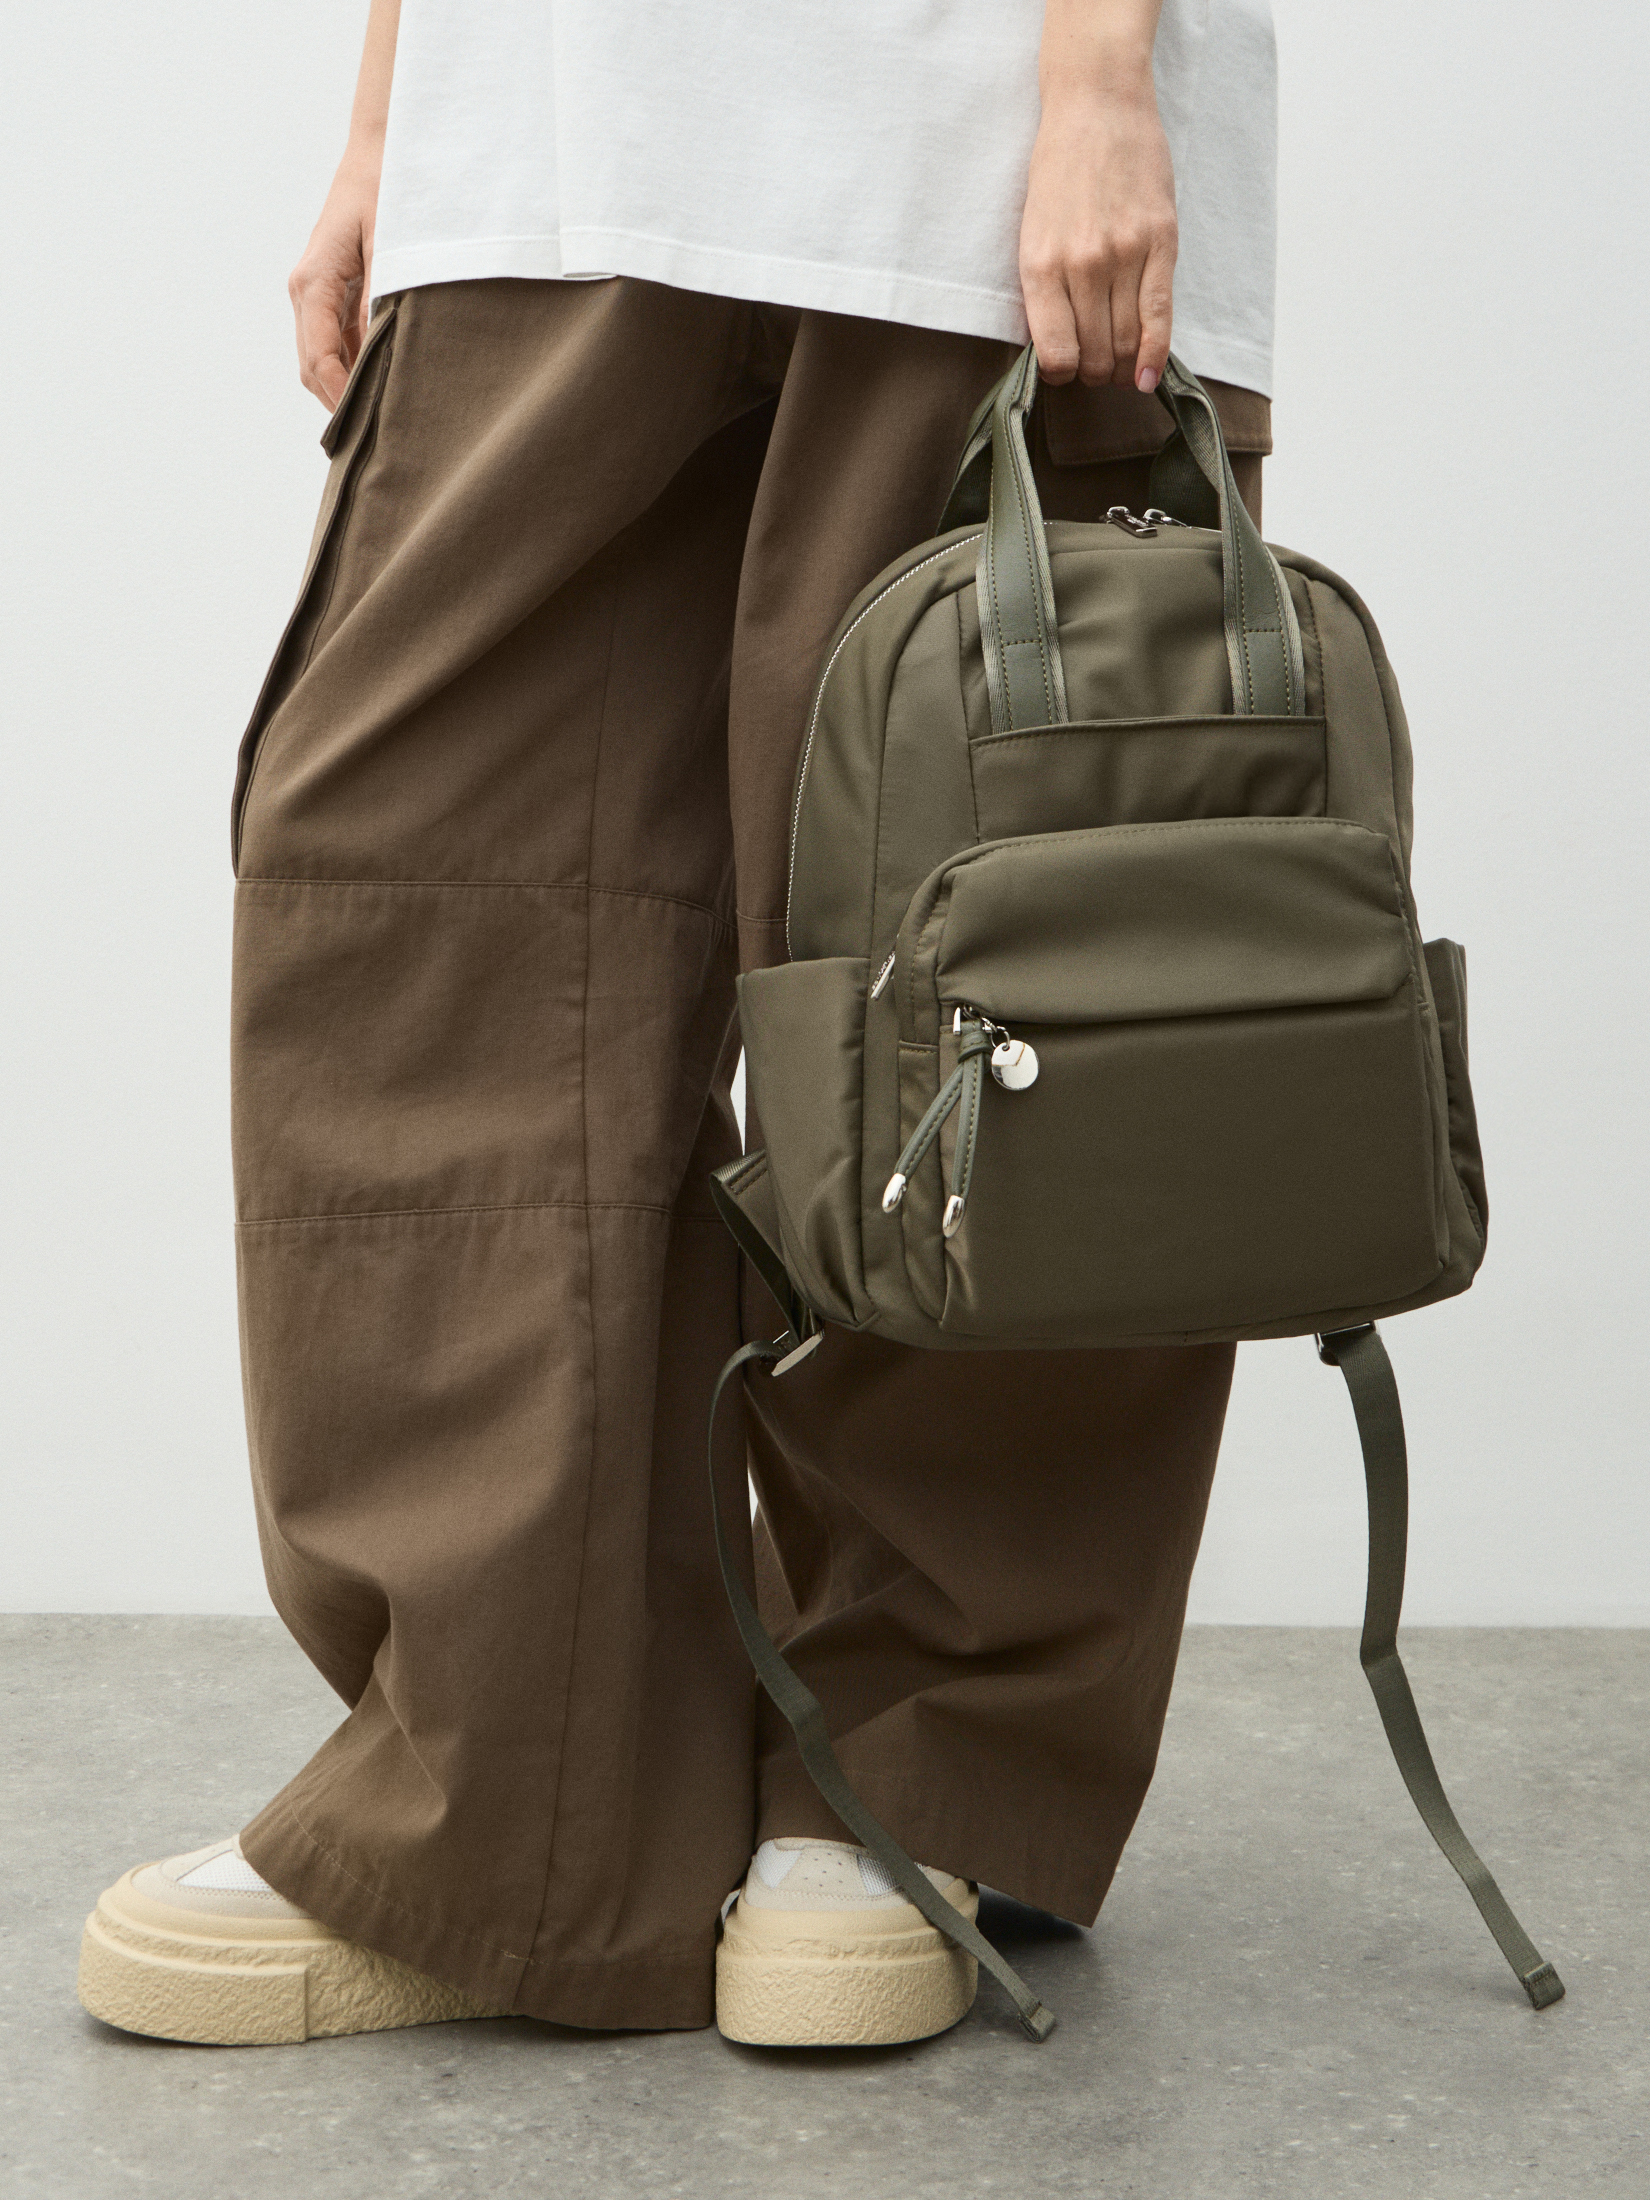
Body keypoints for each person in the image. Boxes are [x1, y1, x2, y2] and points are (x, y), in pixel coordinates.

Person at [78, 0, 1279, 2049]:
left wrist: (1096, 77)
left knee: (985, 960)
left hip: (976, 140)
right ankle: (499, 1819)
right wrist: (387, 118)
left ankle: (914, 1778)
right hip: (546, 139)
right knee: (425, 916)